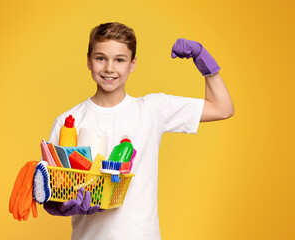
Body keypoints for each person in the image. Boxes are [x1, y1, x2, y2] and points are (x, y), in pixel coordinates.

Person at [43, 22, 234, 240]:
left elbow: (223, 107)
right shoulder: (69, 121)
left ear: (133, 64)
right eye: (100, 58)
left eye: (120, 60)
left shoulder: (151, 110)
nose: (109, 68)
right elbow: (53, 191)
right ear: (88, 60)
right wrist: (61, 205)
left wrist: (204, 61)